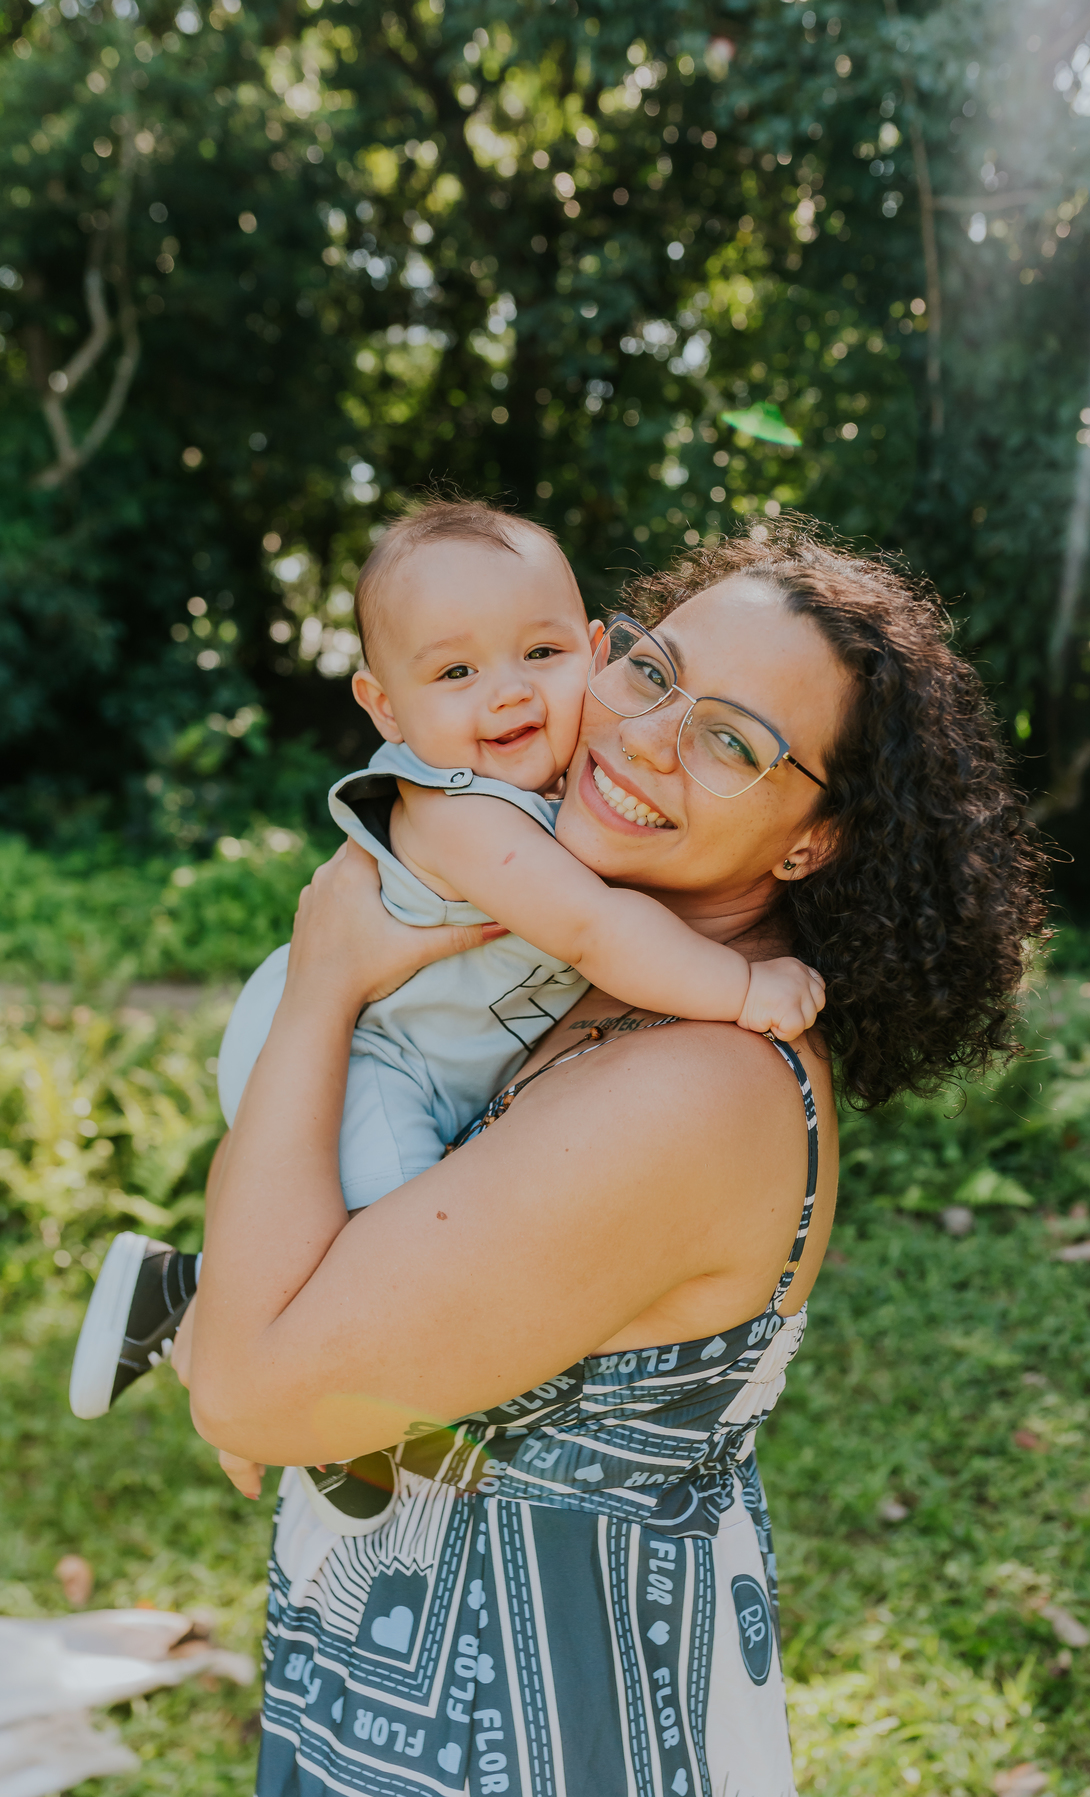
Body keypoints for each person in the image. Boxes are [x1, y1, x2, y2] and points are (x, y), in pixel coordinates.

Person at [182, 519, 1044, 1796]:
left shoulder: (696, 1083)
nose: (644, 736)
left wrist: (321, 986)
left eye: (734, 739)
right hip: (408, 1695)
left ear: (812, 840)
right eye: (651, 671)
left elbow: (250, 1396)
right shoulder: (576, 974)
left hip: (531, 1738)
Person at [67, 501, 825, 1471]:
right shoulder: (459, 807)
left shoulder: (568, 797)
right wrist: (741, 987)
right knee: (396, 1230)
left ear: (589, 652)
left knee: (383, 1242)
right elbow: (594, 930)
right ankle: (328, 1421)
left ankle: (188, 1301)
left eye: (540, 655)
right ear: (386, 708)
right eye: (457, 672)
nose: (506, 695)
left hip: (411, 1046)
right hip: (367, 1048)